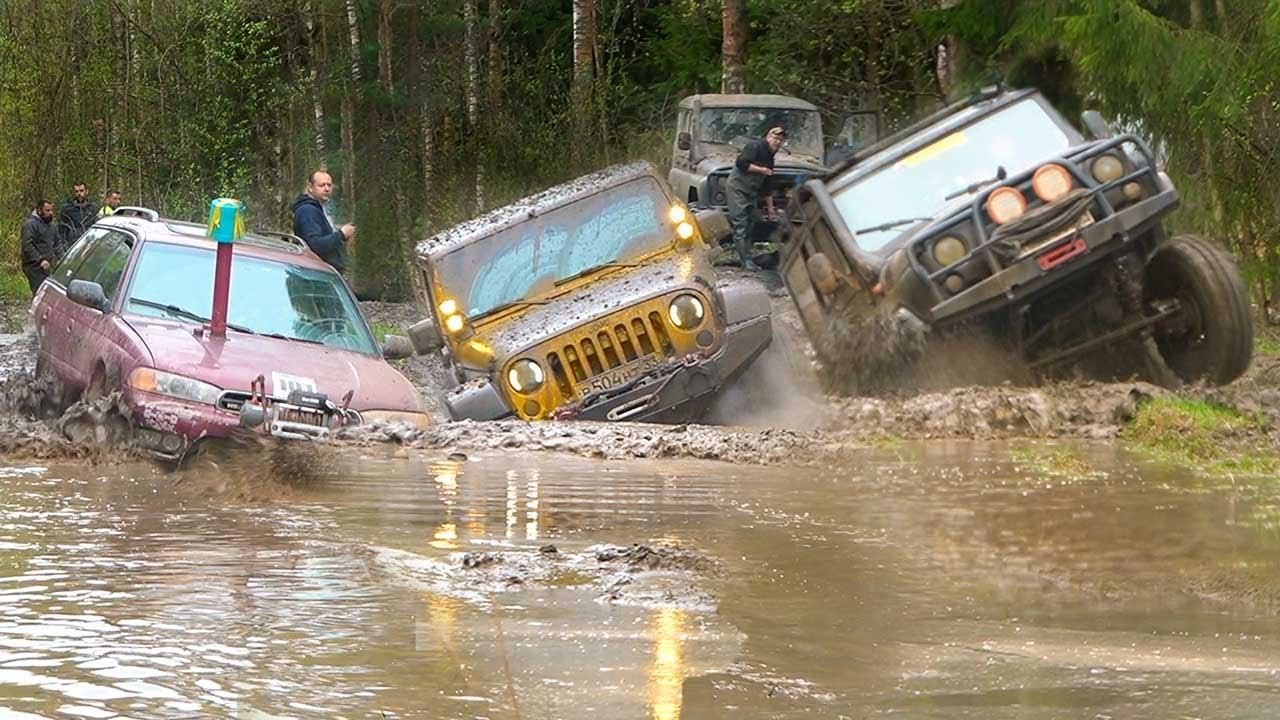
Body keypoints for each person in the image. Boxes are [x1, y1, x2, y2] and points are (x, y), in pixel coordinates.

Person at [725, 126, 786, 270]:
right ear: (768, 137)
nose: (777, 142)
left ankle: (746, 255)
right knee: (740, 223)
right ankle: (745, 261)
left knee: (752, 222)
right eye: (775, 138)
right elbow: (741, 163)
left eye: (781, 140)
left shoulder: (770, 157)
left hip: (751, 191)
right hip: (737, 188)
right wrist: (761, 170)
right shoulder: (754, 146)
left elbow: (767, 185)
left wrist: (771, 209)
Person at [291, 170, 355, 271]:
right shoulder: (307, 211)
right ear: (310, 187)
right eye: (321, 185)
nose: (326, 189)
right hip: (315, 274)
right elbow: (315, 245)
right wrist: (342, 234)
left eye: (329, 185)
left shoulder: (317, 208)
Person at [20, 200, 58, 295]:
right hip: (34, 266)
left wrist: (65, 258)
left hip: (48, 265)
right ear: (39, 210)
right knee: (39, 293)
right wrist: (40, 260)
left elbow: (58, 243)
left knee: (49, 293)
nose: (50, 213)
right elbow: (27, 245)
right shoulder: (30, 224)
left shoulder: (52, 226)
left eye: (51, 210)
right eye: (47, 210)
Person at [57, 182, 98, 255]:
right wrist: (65, 249)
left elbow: (97, 227)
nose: (79, 193)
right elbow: (62, 231)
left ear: (86, 191)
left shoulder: (93, 208)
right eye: (77, 191)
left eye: (81, 191)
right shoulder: (67, 209)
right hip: (73, 246)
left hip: (90, 244)